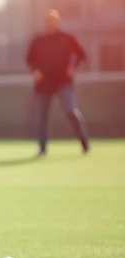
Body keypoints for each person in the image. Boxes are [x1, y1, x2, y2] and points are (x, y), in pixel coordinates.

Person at [25, 9, 91, 155]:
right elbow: (29, 59)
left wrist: (73, 68)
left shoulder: (66, 38)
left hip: (63, 82)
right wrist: (35, 70)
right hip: (44, 84)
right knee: (42, 116)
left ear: (57, 23)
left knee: (71, 111)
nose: (50, 25)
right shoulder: (38, 40)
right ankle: (42, 147)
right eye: (47, 22)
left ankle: (84, 142)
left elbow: (81, 54)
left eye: (52, 22)